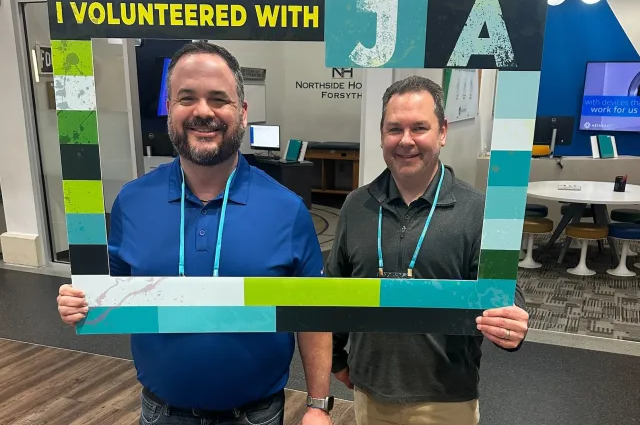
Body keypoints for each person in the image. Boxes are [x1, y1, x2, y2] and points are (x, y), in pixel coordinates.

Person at [57, 41, 334, 425]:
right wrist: (81, 301)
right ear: (169, 108)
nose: (203, 111)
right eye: (187, 97)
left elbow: (313, 312)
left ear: (242, 111)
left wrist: (318, 405)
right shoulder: (132, 202)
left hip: (256, 416)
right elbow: (110, 294)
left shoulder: (287, 210)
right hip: (161, 413)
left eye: (219, 99)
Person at [325, 75, 528, 425]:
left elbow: (504, 294)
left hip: (447, 397)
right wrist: (338, 361)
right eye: (394, 129)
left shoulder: (478, 210)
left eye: (419, 127)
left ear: (443, 132)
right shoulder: (356, 206)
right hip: (370, 391)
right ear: (381, 135)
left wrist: (513, 319)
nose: (406, 141)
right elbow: (336, 290)